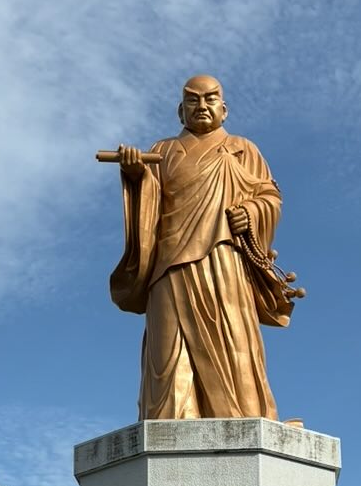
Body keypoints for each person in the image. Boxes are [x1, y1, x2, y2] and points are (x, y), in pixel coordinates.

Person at [109, 74, 294, 420]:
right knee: (167, 357)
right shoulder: (162, 152)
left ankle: (243, 415)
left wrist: (251, 213)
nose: (202, 106)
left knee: (231, 343)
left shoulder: (242, 149)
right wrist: (136, 176)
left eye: (210, 99)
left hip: (223, 261)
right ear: (181, 111)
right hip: (168, 268)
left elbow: (270, 197)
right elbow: (150, 202)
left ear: (223, 109)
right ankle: (171, 419)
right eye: (193, 100)